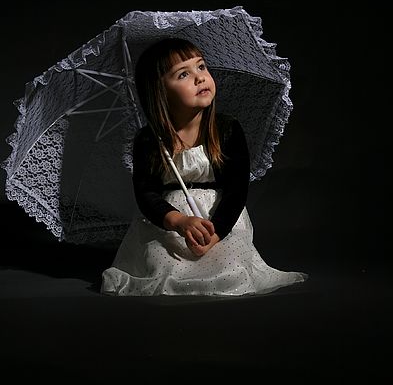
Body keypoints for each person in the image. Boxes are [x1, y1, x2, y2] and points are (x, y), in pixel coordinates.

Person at [100, 37, 308, 296]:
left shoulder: (227, 130)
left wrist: (217, 233)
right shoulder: (150, 139)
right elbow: (146, 194)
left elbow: (236, 191)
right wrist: (179, 221)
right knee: (160, 266)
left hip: (218, 219)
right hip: (170, 224)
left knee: (229, 269)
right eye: (184, 74)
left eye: (202, 67)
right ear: (160, 90)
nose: (200, 78)